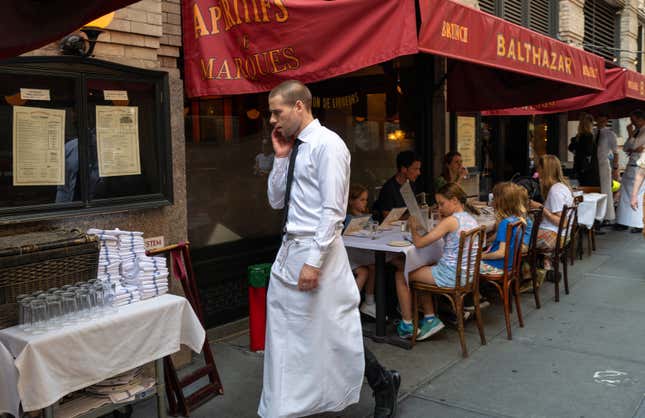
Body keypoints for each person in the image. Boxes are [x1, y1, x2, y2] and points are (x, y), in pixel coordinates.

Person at [261, 80, 399, 418]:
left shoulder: (328, 145)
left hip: (316, 251)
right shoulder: (293, 148)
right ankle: (288, 405)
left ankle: (382, 381)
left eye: (276, 112)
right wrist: (280, 158)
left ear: (299, 107)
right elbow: (276, 200)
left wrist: (313, 262)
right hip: (290, 249)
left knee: (334, 330)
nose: (272, 120)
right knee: (285, 330)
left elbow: (333, 211)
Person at [394, 183, 479, 340]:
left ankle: (407, 324)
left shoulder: (451, 221)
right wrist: (442, 217)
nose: (439, 208)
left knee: (401, 274)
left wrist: (413, 227)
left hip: (452, 276)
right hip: (468, 275)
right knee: (423, 267)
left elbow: (419, 243)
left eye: (441, 203)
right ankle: (429, 318)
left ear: (454, 200)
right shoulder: (469, 218)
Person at [529, 155, 573, 279]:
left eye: (539, 168)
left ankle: (527, 276)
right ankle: (544, 267)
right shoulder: (562, 187)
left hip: (554, 236)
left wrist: (541, 208)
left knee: (516, 238)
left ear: (545, 170)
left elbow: (562, 222)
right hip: (560, 234)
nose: (537, 171)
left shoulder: (555, 191)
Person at [480, 182, 531, 275]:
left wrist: (482, 256)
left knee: (467, 264)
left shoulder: (505, 223)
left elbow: (500, 253)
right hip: (510, 265)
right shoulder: (518, 220)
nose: (492, 201)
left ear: (500, 202)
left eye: (494, 198)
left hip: (497, 267)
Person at [344, 184, 376, 318]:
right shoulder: (347, 219)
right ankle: (351, 308)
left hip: (362, 252)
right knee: (366, 270)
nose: (365, 202)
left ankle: (368, 302)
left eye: (366, 200)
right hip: (350, 254)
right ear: (351, 201)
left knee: (373, 266)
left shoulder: (367, 217)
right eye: (362, 200)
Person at [373, 150, 421, 221]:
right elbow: (388, 220)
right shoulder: (388, 189)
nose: (419, 173)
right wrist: (415, 214)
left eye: (419, 169)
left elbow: (413, 210)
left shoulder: (410, 184)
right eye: (415, 169)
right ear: (403, 169)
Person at [617, 109, 645, 233]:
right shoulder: (635, 131)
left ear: (640, 119)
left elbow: (632, 146)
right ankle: (623, 221)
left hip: (640, 165)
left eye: (633, 120)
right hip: (631, 164)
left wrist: (631, 138)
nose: (631, 123)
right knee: (624, 194)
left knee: (637, 194)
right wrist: (631, 135)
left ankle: (638, 223)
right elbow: (626, 148)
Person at [595, 114, 618, 226]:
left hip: (604, 164)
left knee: (605, 190)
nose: (601, 121)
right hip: (592, 166)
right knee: (595, 190)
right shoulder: (592, 132)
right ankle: (595, 215)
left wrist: (615, 168)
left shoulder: (610, 134)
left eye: (604, 120)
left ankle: (607, 216)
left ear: (607, 120)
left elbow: (616, 152)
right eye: (599, 119)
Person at [569, 113, 599, 187]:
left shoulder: (578, 136)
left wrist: (578, 153)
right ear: (590, 124)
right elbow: (589, 152)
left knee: (582, 187)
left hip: (578, 166)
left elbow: (570, 148)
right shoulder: (589, 136)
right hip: (588, 168)